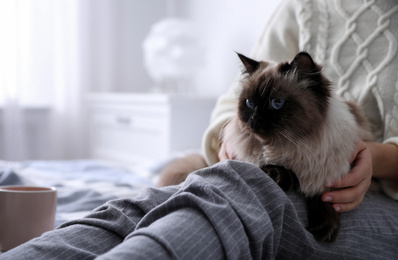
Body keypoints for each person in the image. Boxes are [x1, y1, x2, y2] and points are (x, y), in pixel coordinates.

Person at [1, 0, 398, 259]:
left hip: (368, 192)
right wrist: (228, 133)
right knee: (154, 202)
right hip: (273, 160)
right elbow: (238, 94)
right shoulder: (305, 6)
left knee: (242, 195)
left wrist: (380, 158)